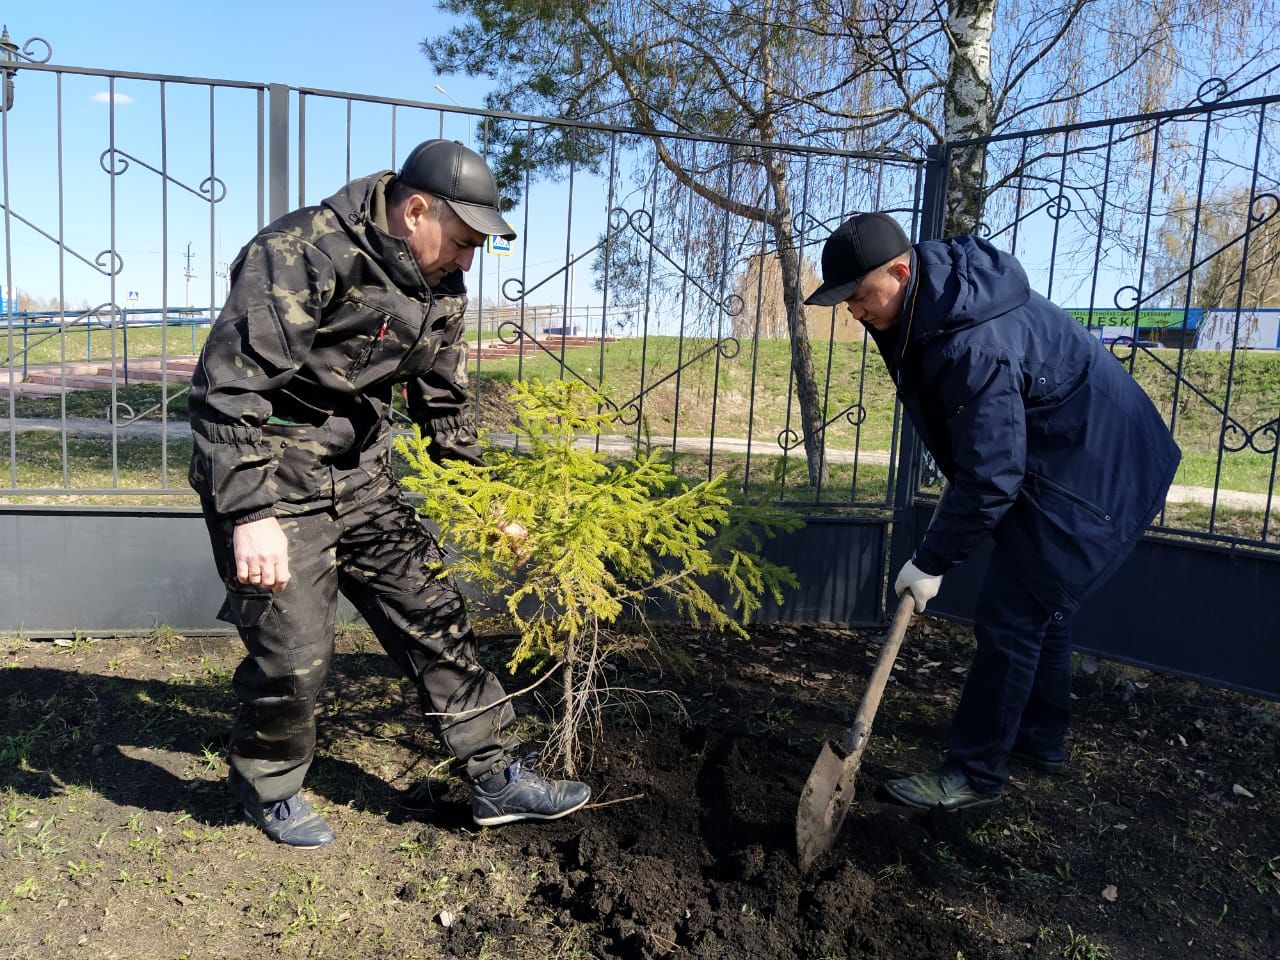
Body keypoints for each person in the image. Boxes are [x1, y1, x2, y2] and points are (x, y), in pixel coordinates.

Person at [188, 139, 590, 847]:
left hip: (362, 476)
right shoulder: (302, 249)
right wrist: (249, 513)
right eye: (464, 241)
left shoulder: (441, 285)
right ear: (416, 210)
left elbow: (443, 403)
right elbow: (229, 389)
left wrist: (484, 499)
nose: (469, 261)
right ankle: (269, 786)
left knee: (432, 611)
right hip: (273, 479)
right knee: (295, 656)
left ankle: (495, 776)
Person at [805, 212, 1180, 811]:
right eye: (845, 301)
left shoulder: (970, 338)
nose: (853, 311)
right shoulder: (932, 304)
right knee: (1039, 599)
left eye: (858, 295)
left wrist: (930, 560)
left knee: (1013, 613)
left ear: (901, 272)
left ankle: (975, 774)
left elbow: (992, 474)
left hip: (1097, 468)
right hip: (1064, 456)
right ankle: (1040, 740)